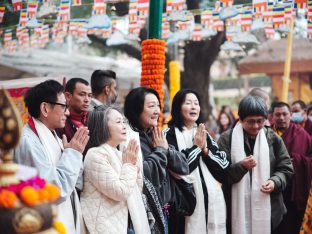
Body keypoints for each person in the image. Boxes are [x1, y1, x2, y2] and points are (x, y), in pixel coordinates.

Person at [13, 80, 89, 234]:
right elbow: (54, 190)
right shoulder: (29, 142)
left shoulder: (52, 135)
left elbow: (76, 184)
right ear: (45, 108)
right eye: (64, 106)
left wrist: (71, 154)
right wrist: (72, 155)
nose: (67, 112)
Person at [217, 95, 294, 234]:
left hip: (271, 209)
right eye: (250, 122)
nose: (256, 126)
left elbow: (286, 167)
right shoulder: (226, 139)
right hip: (234, 208)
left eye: (260, 121)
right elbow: (220, 174)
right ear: (240, 119)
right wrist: (242, 166)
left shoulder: (273, 138)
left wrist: (274, 182)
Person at [124, 87, 193, 233]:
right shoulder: (129, 140)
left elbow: (184, 167)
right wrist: (161, 151)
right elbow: (147, 178)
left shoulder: (156, 134)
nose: (157, 111)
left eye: (158, 106)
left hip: (168, 211)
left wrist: (166, 149)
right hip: (148, 216)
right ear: (136, 110)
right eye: (151, 106)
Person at [164, 89, 229, 234]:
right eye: (188, 103)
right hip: (183, 205)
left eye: (196, 103)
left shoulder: (203, 133)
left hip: (211, 201)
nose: (194, 107)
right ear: (178, 108)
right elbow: (177, 167)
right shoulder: (168, 135)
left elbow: (224, 167)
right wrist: (197, 147)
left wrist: (205, 152)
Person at [81, 105, 151, 234]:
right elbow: (120, 192)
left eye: (124, 122)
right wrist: (129, 165)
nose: (124, 126)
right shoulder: (95, 154)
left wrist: (134, 164)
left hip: (123, 224)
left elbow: (136, 188)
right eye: (118, 122)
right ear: (103, 126)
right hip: (105, 227)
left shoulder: (119, 153)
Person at [272, 101, 312, 234]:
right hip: (272, 189)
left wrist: (297, 161)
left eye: (285, 114)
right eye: (278, 114)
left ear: (290, 115)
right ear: (272, 116)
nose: (281, 118)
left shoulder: (301, 134)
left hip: (294, 190)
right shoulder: (266, 134)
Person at [56, 78, 92, 142]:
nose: (87, 100)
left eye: (89, 96)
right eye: (82, 94)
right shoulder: (59, 122)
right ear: (68, 96)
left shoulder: (93, 118)